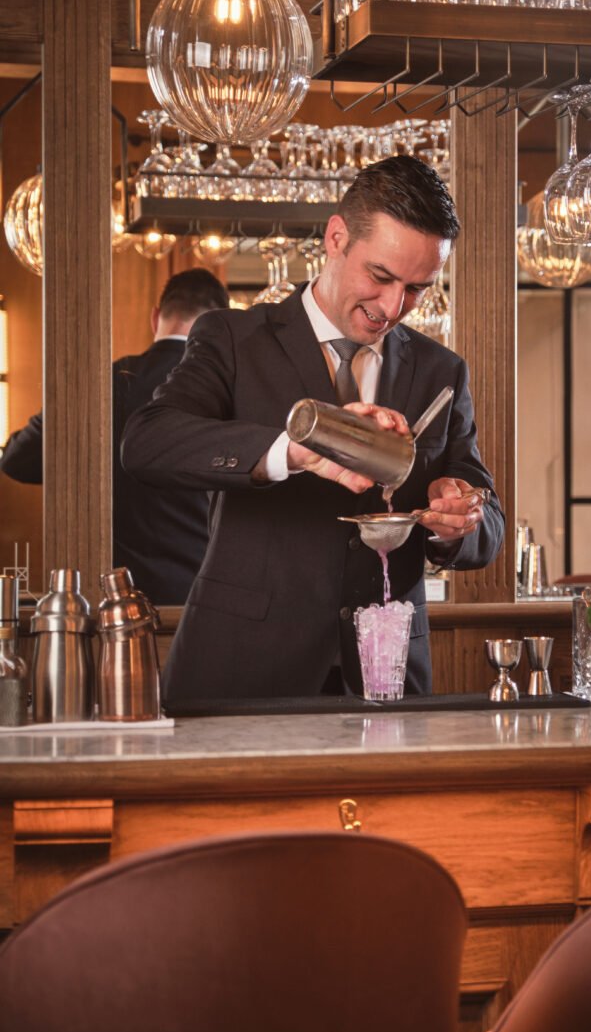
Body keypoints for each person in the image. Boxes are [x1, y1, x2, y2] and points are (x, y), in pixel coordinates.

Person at [121, 155, 505, 707]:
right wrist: (290, 452)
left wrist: (458, 517)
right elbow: (148, 443)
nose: (393, 308)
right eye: (380, 276)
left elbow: (486, 519)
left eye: (418, 288)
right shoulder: (232, 337)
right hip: (242, 672)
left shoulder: (441, 372)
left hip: (386, 676)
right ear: (336, 238)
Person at [0, 268, 231, 604]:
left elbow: (18, 460)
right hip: (202, 598)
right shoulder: (228, 391)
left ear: (156, 318)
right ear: (219, 328)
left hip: (112, 599)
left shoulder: (102, 382)